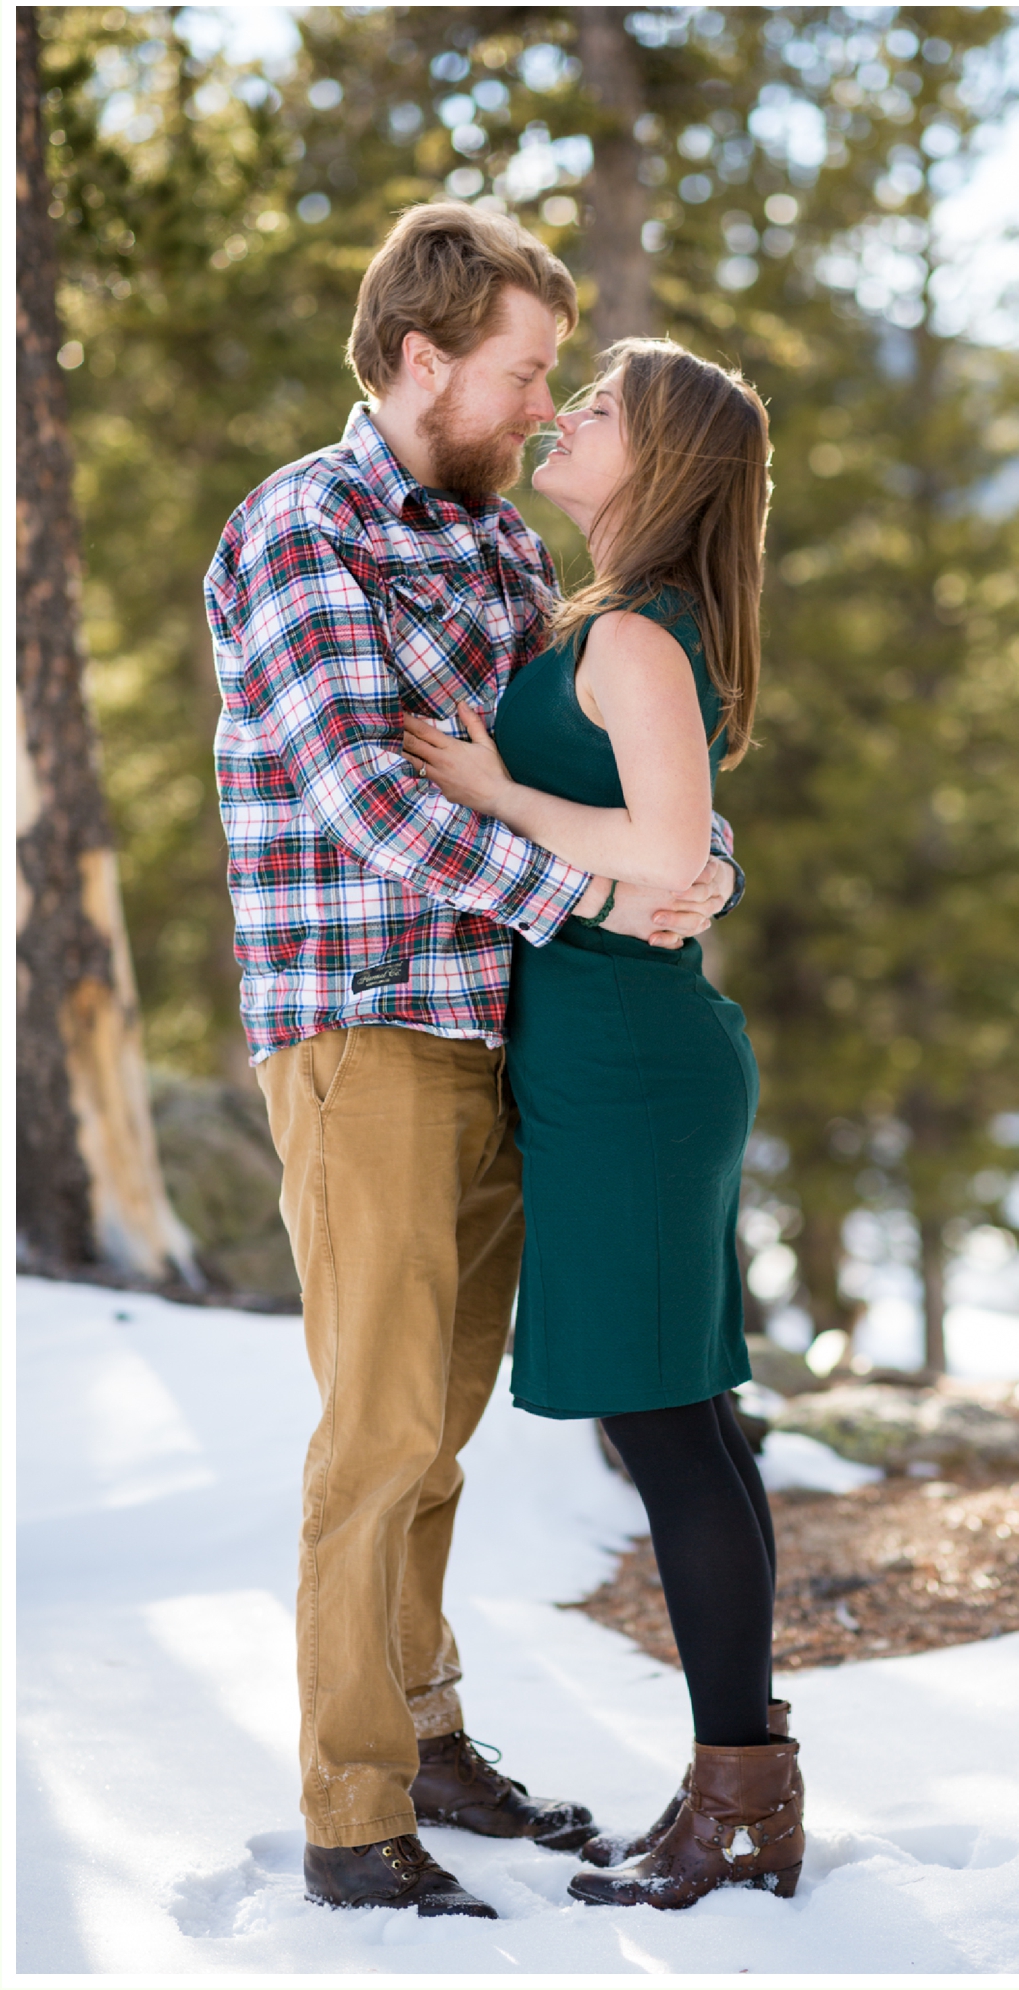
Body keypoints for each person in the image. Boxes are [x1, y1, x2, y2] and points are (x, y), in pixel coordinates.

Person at [205, 202, 743, 1920]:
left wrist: (686, 862)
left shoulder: (507, 551)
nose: (535, 408)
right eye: (518, 374)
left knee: (435, 1435)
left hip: (505, 1032)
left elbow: (578, 759)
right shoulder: (301, 529)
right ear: (420, 358)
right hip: (360, 1028)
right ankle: (354, 1812)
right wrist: (604, 886)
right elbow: (371, 803)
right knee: (372, 1436)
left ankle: (430, 1739)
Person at [402, 340, 804, 1911]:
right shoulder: (613, 619)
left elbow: (654, 845)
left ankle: (734, 1802)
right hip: (610, 1055)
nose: (564, 416)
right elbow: (684, 842)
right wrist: (663, 857)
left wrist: (495, 793)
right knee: (685, 1421)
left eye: (599, 408)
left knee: (665, 1432)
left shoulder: (637, 634)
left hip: (630, 1062)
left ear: (662, 465)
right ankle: (741, 1789)